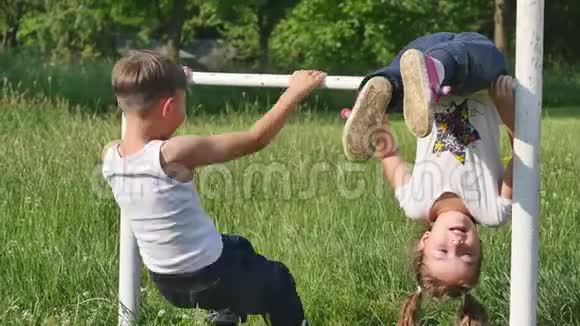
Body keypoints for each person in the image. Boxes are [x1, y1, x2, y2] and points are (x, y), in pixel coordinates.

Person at [102, 50, 326, 326]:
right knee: (278, 280)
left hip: (166, 283)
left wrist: (172, 81)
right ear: (168, 107)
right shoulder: (174, 154)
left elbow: (145, 137)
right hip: (210, 275)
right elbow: (255, 139)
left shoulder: (110, 156)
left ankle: (225, 315)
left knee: (238, 246)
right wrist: (293, 93)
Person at [341, 32, 516, 325]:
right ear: (480, 250)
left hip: (426, 70)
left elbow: (389, 157)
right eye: (467, 254)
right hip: (478, 79)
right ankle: (428, 73)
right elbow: (522, 153)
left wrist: (375, 128)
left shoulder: (416, 203)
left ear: (425, 240)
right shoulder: (493, 210)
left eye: (443, 250)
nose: (457, 242)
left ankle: (382, 89)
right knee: (491, 59)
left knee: (399, 78)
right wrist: (509, 110)